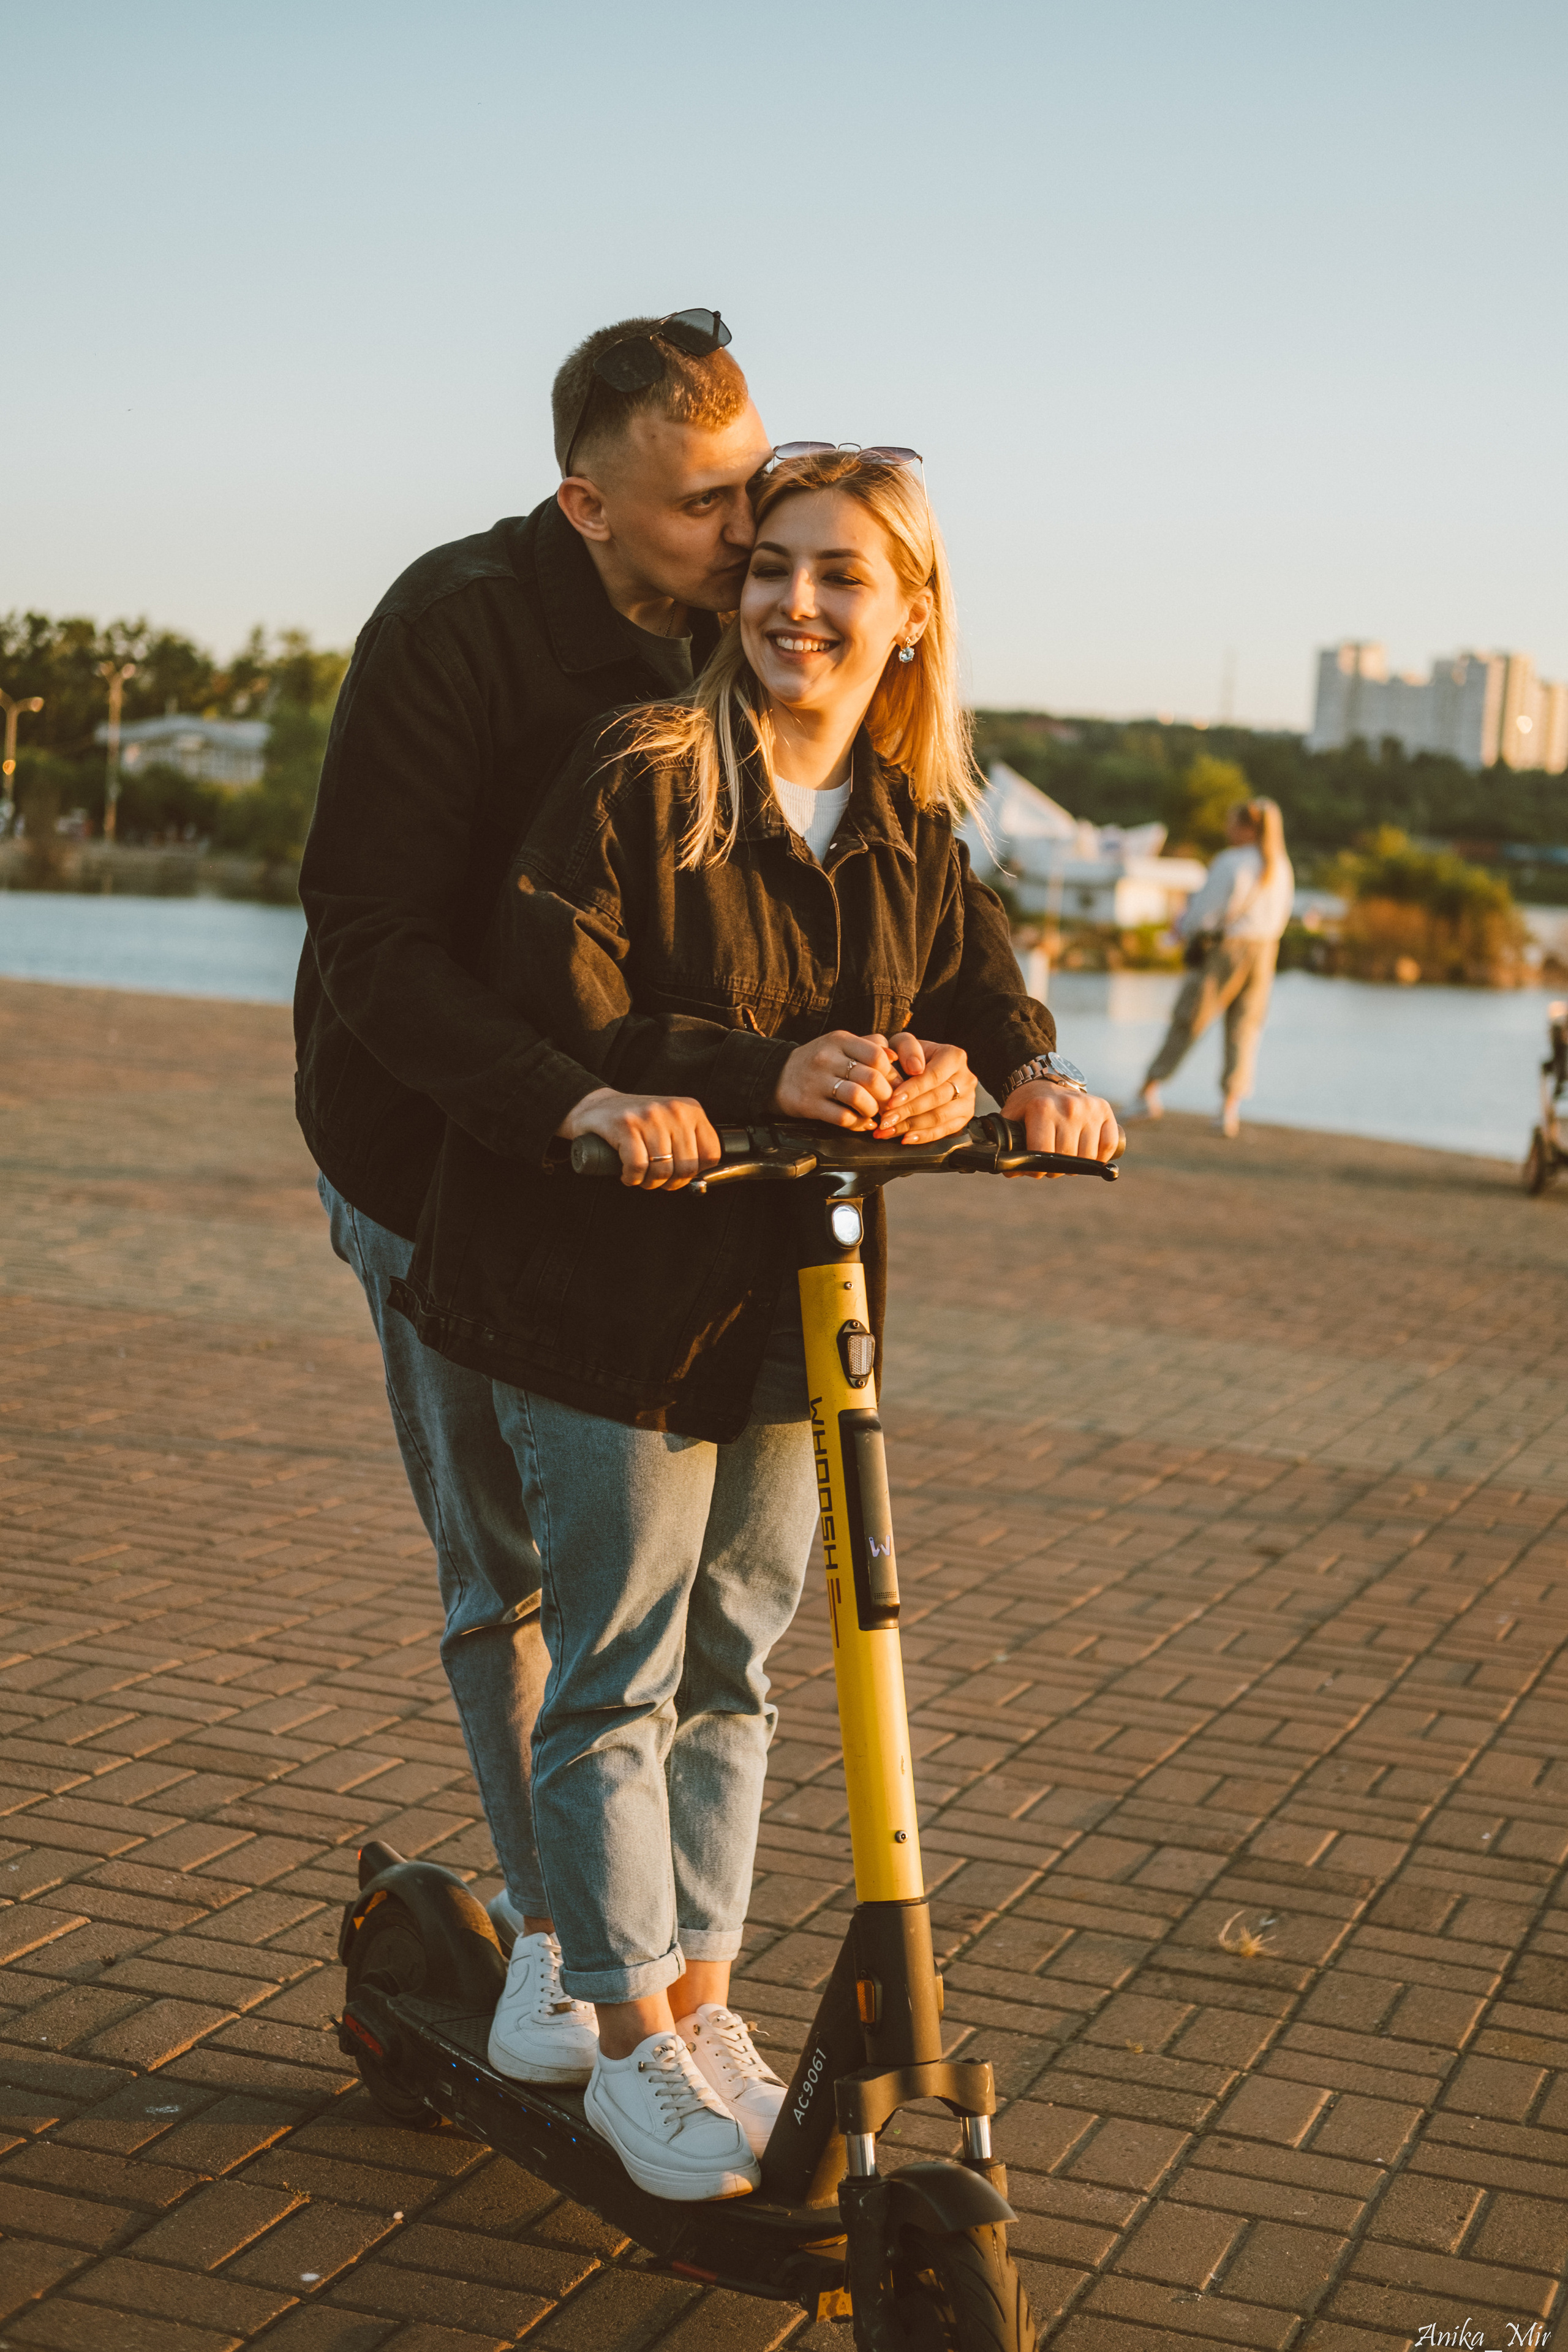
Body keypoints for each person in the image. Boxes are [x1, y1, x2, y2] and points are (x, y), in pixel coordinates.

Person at [293, 312, 1046, 2086]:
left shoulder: (741, 648)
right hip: (429, 1142)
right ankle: (571, 1957)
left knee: (700, 1624)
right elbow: (382, 946)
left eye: (766, 486)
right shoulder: (463, 629)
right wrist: (582, 1098)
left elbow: (921, 881)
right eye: (718, 506)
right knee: (514, 1576)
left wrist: (995, 1064)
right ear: (589, 506)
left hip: (674, 1164)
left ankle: (638, 1966)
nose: (756, 530)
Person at [394, 448, 1120, 2199]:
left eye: (842, 575)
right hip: (609, 1302)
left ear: (910, 613)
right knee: (620, 1671)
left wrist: (1015, 1074)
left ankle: (701, 2008)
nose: (798, 601)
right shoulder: (642, 775)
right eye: (774, 566)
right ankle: (630, 2037)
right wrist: (750, 1071)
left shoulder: (906, 822)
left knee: (741, 1668)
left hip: (800, 1313)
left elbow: (977, 983)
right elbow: (555, 999)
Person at [1137, 795, 1293, 1137]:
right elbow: (1282, 915)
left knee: (1189, 1019)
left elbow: (1203, 915)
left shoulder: (1231, 862)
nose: (1226, 828)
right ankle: (1229, 1110)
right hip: (1266, 951)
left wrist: (1184, 933)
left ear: (1247, 828)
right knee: (1245, 1028)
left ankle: (1149, 1091)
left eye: (1231, 822)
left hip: (1228, 950)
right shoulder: (1280, 865)